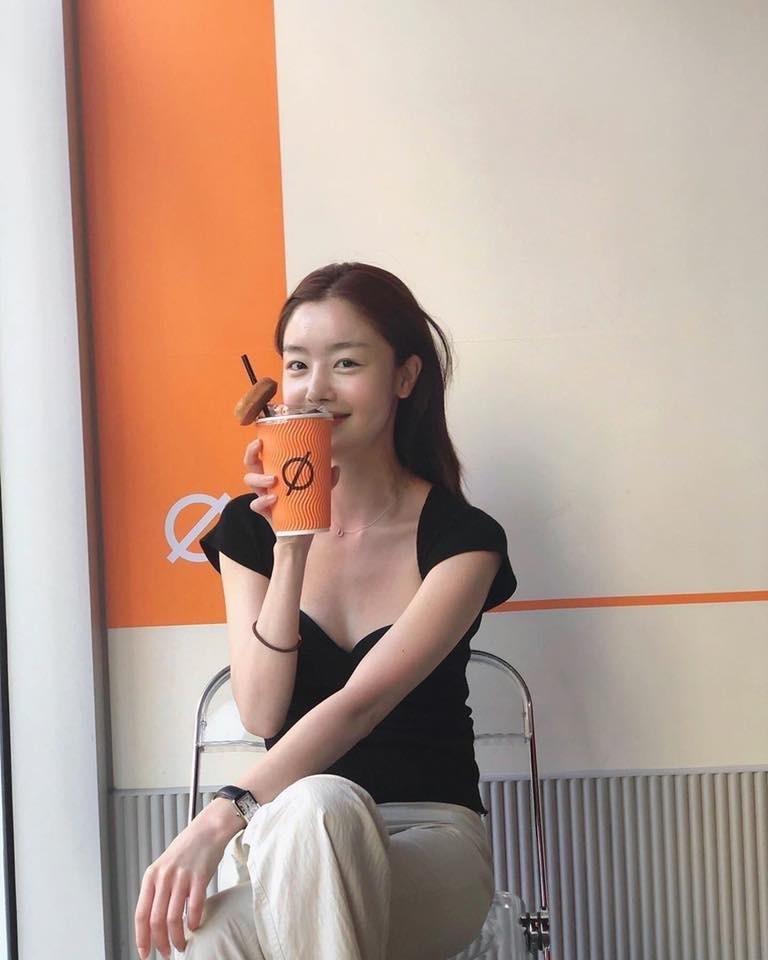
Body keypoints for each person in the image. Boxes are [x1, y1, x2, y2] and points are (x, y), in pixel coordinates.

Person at [134, 262, 517, 960]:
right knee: (211, 933)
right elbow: (262, 712)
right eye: (298, 364)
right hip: (286, 840)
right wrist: (291, 546)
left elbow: (360, 707)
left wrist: (218, 818)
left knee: (320, 806)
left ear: (404, 377)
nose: (316, 388)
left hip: (426, 842)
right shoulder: (249, 529)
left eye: (346, 363)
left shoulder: (463, 540)